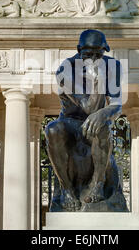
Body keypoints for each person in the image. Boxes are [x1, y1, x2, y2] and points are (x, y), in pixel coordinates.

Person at [45, 29, 124, 211]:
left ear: (105, 51)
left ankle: (98, 183)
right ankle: (66, 190)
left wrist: (104, 114)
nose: (93, 59)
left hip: (96, 123)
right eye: (88, 54)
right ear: (78, 50)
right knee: (53, 129)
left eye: (98, 54)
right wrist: (99, 79)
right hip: (71, 123)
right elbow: (88, 107)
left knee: (102, 126)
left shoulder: (114, 66)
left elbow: (117, 105)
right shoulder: (66, 69)